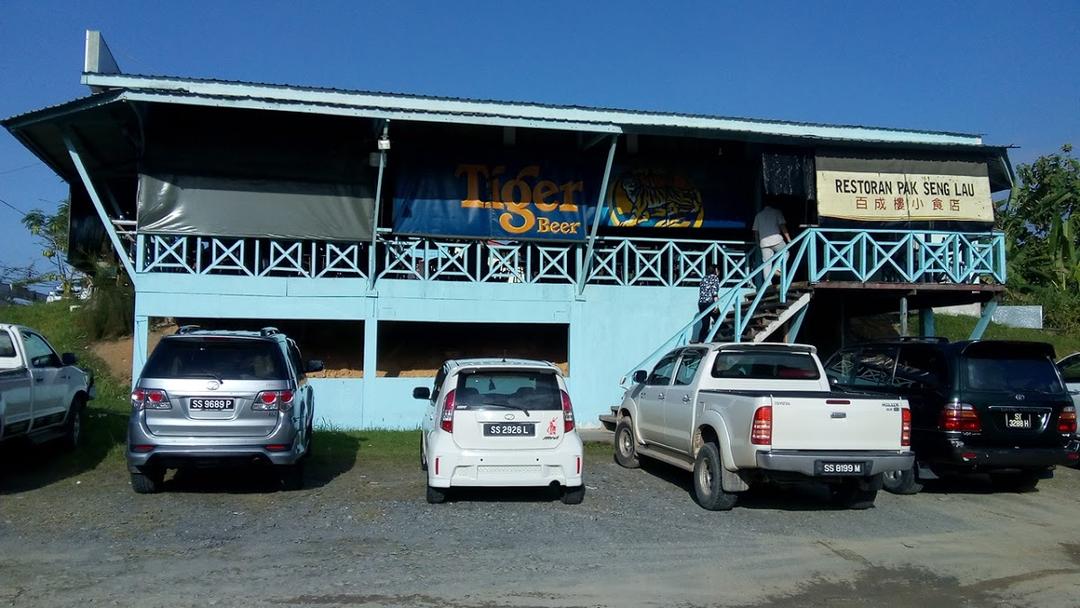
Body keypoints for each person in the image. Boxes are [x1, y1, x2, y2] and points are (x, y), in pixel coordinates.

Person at [752, 203, 791, 284]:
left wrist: (757, 243)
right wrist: (788, 239)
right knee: (786, 252)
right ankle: (778, 268)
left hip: (764, 242)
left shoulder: (758, 215)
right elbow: (782, 226)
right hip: (776, 240)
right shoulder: (777, 212)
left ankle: (768, 283)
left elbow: (755, 231)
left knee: (766, 263)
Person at [696, 264, 720, 342]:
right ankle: (716, 336)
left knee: (705, 325)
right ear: (715, 270)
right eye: (717, 270)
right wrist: (716, 305)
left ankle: (700, 340)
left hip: (701, 303)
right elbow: (714, 292)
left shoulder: (704, 278)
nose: (718, 271)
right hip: (710, 302)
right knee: (719, 320)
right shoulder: (714, 277)